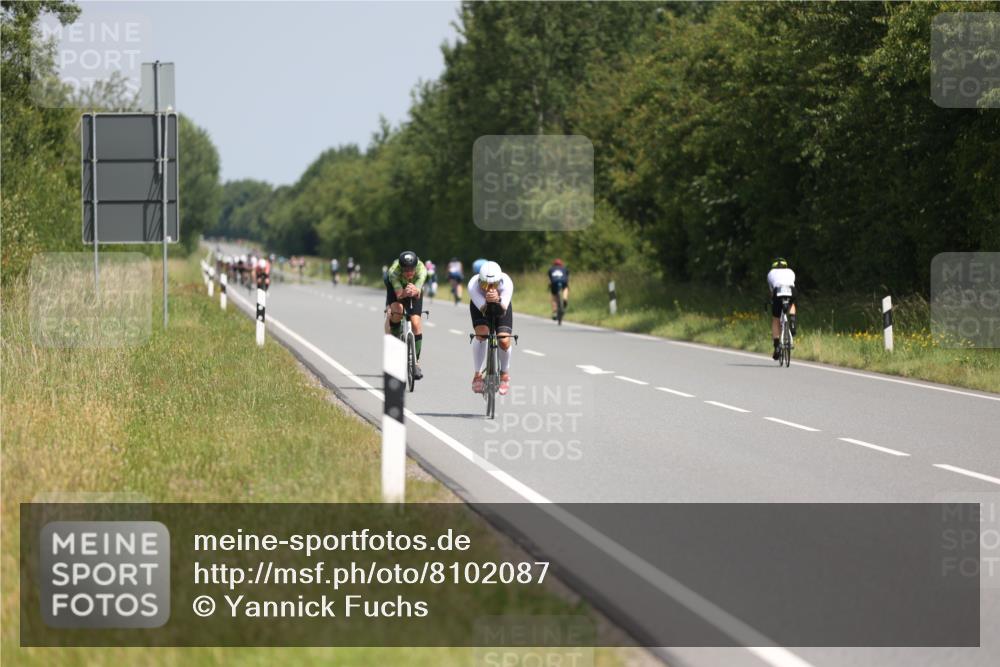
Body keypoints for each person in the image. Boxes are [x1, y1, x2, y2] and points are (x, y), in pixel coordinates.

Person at [469, 261, 514, 396]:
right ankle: (477, 374)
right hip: (480, 307)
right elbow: (483, 308)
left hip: (501, 306)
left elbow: (503, 308)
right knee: (482, 334)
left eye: (493, 285)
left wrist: (498, 299)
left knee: (504, 340)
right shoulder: (473, 285)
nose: (488, 288)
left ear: (499, 281)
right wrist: (488, 300)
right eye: (484, 285)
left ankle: (504, 374)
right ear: (479, 281)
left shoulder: (506, 282)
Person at [384, 250, 428, 380]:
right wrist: (404, 293)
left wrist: (415, 290)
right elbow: (399, 295)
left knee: (415, 322)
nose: (409, 272)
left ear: (416, 266)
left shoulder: (421, 269)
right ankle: (395, 336)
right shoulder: (394, 272)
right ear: (401, 268)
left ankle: (416, 363)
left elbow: (418, 290)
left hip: (414, 289)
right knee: (397, 310)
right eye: (406, 269)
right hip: (395, 288)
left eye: (411, 269)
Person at [767, 257, 797, 360]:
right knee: (792, 304)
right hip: (791, 290)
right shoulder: (790, 271)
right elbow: (792, 283)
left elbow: (771, 292)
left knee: (775, 319)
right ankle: (792, 321)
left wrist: (772, 301)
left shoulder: (771, 273)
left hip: (778, 291)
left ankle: (777, 346)